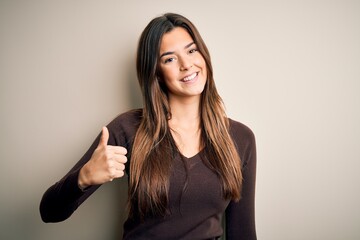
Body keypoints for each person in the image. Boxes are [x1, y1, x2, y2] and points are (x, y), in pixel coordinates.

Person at [40, 13, 257, 240]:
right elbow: (49, 211)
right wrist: (83, 178)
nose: (186, 64)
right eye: (169, 59)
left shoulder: (241, 138)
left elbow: (242, 233)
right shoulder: (127, 129)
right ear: (156, 73)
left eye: (192, 50)